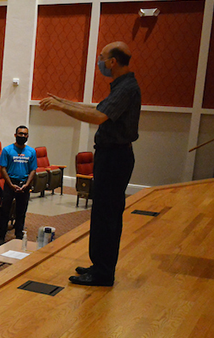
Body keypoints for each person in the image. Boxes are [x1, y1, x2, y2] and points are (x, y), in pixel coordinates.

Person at [40, 41, 140, 287]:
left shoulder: (126, 87)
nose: (100, 62)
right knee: (102, 213)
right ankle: (99, 265)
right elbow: (99, 109)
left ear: (112, 62)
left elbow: (98, 116)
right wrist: (64, 101)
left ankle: (103, 272)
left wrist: (62, 108)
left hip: (115, 158)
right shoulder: (121, 86)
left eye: (102, 57)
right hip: (111, 156)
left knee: (107, 215)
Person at [0, 126, 37, 246]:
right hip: (10, 184)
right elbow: (2, 168)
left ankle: (18, 235)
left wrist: (27, 184)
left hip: (24, 185)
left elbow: (33, 170)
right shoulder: (7, 150)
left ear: (27, 136)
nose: (22, 136)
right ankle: (2, 236)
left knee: (21, 211)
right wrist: (11, 184)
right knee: (5, 211)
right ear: (15, 135)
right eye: (20, 134)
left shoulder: (31, 151)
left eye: (25, 134)